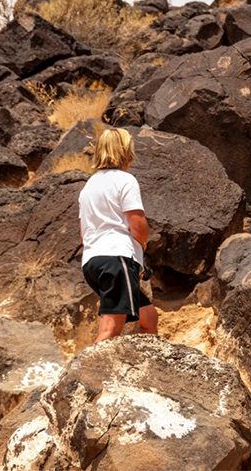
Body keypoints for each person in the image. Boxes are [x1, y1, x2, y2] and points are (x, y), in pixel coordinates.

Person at [78, 127, 158, 343]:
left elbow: (84, 234)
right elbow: (138, 225)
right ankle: (86, 376)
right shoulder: (125, 180)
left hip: (93, 262)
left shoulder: (89, 186)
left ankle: (133, 366)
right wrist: (141, 248)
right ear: (125, 151)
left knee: (148, 318)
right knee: (110, 330)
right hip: (117, 260)